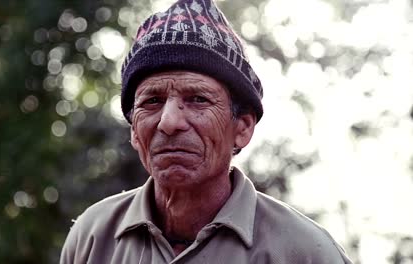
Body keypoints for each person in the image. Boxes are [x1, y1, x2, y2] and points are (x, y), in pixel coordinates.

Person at [60, 0, 353, 263]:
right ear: (135, 132)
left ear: (242, 128)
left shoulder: (304, 253)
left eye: (198, 99)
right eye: (152, 101)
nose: (169, 122)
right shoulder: (93, 238)